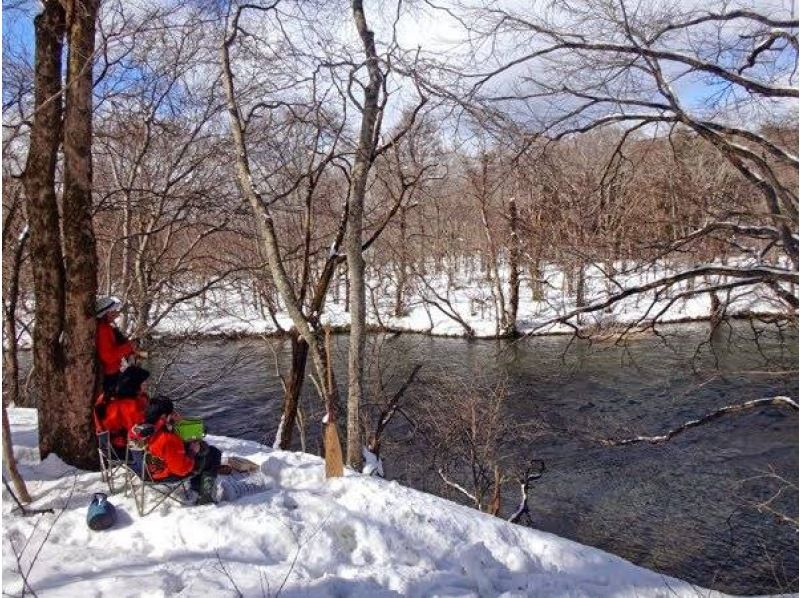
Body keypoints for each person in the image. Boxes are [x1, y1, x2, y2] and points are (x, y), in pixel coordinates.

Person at [143, 398, 221, 505]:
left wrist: (175, 424)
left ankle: (198, 487)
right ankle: (205, 497)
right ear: (164, 416)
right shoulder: (168, 439)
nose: (175, 414)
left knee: (202, 448)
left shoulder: (145, 428)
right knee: (213, 454)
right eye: (172, 412)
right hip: (164, 473)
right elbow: (182, 469)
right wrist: (192, 452)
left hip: (148, 468)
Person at [93, 366, 151, 451]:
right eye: (144, 382)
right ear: (135, 384)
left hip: (110, 443)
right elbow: (138, 428)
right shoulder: (129, 405)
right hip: (123, 447)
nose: (147, 384)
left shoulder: (107, 396)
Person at [95, 296, 142, 394]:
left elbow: (119, 344)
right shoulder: (103, 329)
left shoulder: (108, 327)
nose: (116, 314)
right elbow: (108, 356)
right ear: (106, 313)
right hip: (109, 375)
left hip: (113, 372)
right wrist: (129, 347)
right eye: (113, 312)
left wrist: (130, 350)